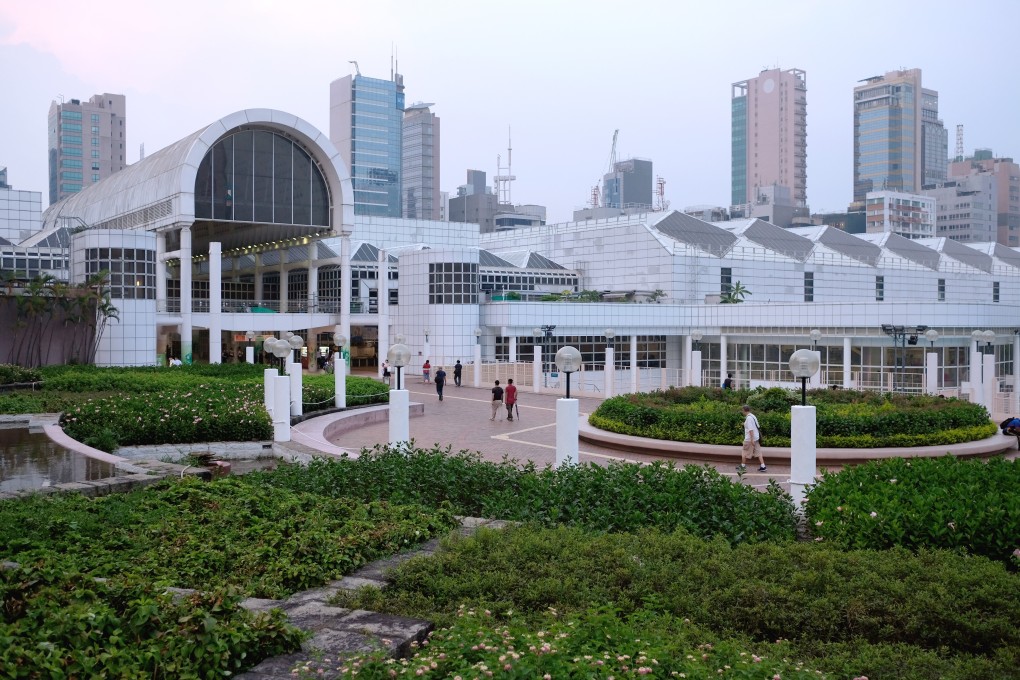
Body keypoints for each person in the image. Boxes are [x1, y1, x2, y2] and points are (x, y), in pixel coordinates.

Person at [738, 404, 766, 472]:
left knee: (744, 451)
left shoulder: (749, 418)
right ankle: (763, 466)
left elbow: (751, 429)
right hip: (756, 437)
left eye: (742, 410)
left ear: (744, 410)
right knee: (758, 452)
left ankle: (742, 466)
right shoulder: (753, 416)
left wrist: (752, 439)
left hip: (750, 439)